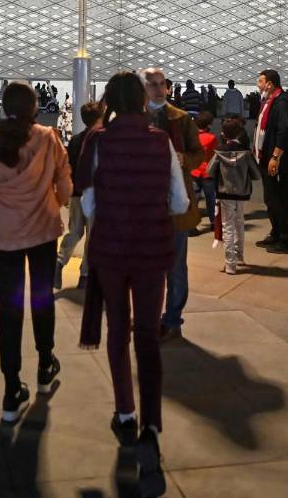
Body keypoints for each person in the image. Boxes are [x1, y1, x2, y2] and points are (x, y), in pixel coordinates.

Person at [77, 71, 190, 498]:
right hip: (152, 249)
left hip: (111, 249)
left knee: (117, 332)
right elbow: (178, 202)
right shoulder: (160, 140)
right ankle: (151, 425)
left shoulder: (97, 139)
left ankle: (124, 412)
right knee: (147, 335)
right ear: (142, 100)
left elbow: (87, 200)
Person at [0, 81, 72, 423]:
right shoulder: (48, 138)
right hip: (44, 232)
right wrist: (51, 205)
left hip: (5, 238)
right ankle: (46, 365)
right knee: (42, 299)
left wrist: (5, 209)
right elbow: (65, 183)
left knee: (9, 311)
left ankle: (11, 388)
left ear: (3, 106)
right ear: (34, 108)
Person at [141, 68, 204, 343]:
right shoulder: (135, 118)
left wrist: (184, 160)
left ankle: (172, 319)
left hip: (175, 202)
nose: (158, 89)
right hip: (144, 205)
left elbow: (199, 153)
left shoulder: (180, 118)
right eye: (152, 84)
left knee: (176, 266)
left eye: (161, 84)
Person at [55, 100, 103, 290]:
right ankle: (85, 276)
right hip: (94, 194)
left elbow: (68, 167)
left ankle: (58, 262)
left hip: (76, 192)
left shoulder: (75, 139)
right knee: (92, 236)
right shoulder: (101, 138)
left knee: (74, 231)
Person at [253, 69, 288, 254]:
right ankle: (277, 232)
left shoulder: (282, 103)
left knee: (282, 199)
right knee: (271, 198)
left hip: (281, 161)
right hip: (267, 158)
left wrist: (275, 157)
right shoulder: (269, 101)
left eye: (260, 80)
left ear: (270, 84)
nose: (258, 84)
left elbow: (285, 130)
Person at [209, 118, 261, 274]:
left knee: (228, 227)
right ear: (239, 133)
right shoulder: (246, 153)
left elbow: (210, 171)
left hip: (225, 193)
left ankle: (229, 264)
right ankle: (239, 257)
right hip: (242, 193)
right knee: (239, 224)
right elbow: (256, 174)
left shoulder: (219, 152)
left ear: (223, 134)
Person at [188, 111, 218, 236]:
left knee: (193, 200)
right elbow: (215, 155)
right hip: (207, 172)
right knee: (211, 199)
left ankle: (191, 226)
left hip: (194, 171)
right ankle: (214, 223)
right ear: (209, 125)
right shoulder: (211, 138)